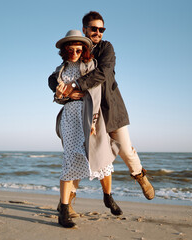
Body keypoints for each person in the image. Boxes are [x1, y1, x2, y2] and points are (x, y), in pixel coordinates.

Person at [48, 11, 155, 208]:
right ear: (85, 29)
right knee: (80, 153)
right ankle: (68, 201)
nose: (98, 32)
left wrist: (76, 86)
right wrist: (61, 88)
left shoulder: (106, 48)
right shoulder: (78, 49)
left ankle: (139, 175)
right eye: (94, 29)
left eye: (101, 29)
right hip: (86, 112)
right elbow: (57, 74)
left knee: (125, 149)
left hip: (110, 108)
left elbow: (103, 72)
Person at [52, 30, 122, 228]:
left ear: (84, 50)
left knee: (103, 157)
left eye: (78, 49)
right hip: (70, 119)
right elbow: (58, 97)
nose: (74, 53)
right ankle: (64, 211)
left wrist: (93, 121)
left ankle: (108, 196)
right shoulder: (61, 70)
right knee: (70, 159)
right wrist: (64, 96)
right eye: (71, 50)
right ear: (65, 51)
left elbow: (96, 94)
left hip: (90, 117)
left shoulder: (90, 65)